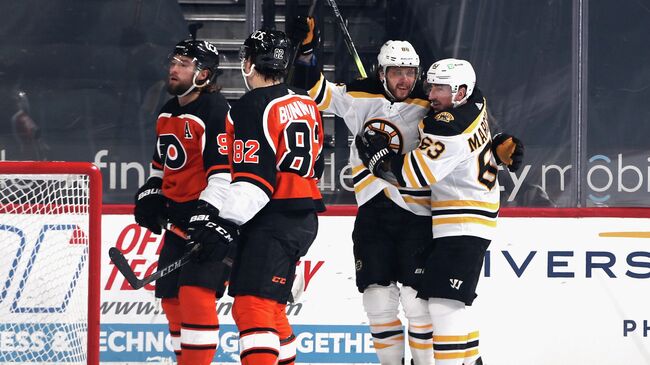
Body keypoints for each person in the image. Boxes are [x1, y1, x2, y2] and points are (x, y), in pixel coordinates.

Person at [289, 18, 522, 365]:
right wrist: (307, 51)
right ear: (381, 72)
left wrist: (499, 142)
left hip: (418, 214)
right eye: (397, 71)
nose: (405, 79)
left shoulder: (432, 102)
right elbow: (313, 90)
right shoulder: (357, 96)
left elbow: (468, 120)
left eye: (411, 72)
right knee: (377, 301)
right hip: (372, 211)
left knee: (420, 305)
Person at [186, 29, 325, 365]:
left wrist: (224, 222)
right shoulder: (305, 99)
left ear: (248, 63)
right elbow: (317, 165)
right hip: (302, 218)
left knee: (252, 306)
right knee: (271, 309)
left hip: (272, 219)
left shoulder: (250, 106)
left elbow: (255, 181)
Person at [357, 58, 503, 365]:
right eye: (431, 85)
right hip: (468, 216)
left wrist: (378, 159)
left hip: (463, 220)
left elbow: (412, 176)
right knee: (451, 302)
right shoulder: (476, 100)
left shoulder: (447, 127)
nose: (432, 94)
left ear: (461, 91)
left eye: (441, 88)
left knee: (443, 305)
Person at [133, 38, 231, 365]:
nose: (173, 69)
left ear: (203, 74)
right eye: (173, 62)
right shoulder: (166, 112)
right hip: (176, 220)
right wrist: (152, 192)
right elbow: (161, 166)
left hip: (206, 219)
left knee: (194, 294)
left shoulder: (215, 110)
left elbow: (222, 171)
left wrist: (208, 215)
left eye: (183, 64)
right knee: (171, 300)